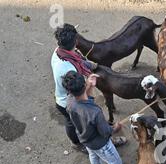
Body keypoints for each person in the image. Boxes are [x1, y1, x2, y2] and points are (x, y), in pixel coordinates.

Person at [51, 24, 126, 153]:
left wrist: (89, 64)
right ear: (75, 42)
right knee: (89, 123)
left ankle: (77, 143)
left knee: (70, 122)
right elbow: (79, 92)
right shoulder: (69, 70)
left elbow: (77, 60)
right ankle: (96, 142)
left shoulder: (59, 51)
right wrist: (90, 84)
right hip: (70, 102)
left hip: (61, 99)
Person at [62, 71, 130, 164]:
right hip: (101, 143)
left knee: (93, 155)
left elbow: (80, 96)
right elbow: (105, 132)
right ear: (83, 85)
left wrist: (90, 85)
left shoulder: (69, 100)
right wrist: (115, 128)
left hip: (86, 139)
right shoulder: (95, 112)